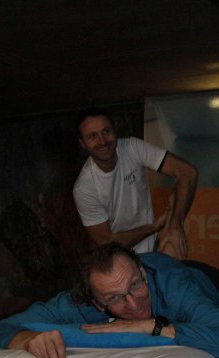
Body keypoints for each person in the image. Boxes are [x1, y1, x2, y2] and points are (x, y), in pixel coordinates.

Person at [0, 242, 219, 358]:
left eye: (135, 285)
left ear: (142, 273)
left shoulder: (177, 290)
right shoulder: (79, 301)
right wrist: (26, 339)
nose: (134, 304)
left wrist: (155, 326)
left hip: (199, 277)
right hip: (146, 265)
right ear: (96, 302)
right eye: (115, 299)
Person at [72, 107, 198, 259]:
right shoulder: (84, 188)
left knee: (173, 243)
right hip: (119, 258)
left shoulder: (132, 147)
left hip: (153, 246)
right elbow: (106, 242)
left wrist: (175, 224)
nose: (102, 141)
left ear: (114, 130)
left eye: (106, 131)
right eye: (93, 136)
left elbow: (187, 172)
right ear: (83, 143)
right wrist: (153, 227)